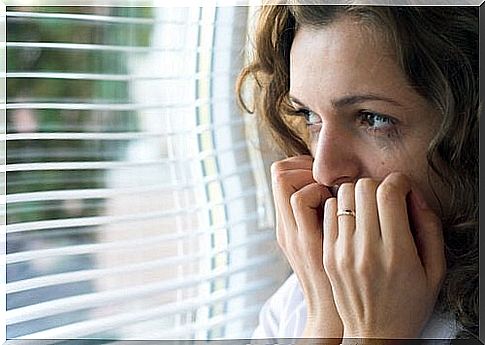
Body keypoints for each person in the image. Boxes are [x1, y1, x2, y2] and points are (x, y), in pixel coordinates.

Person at [236, 3, 479, 342]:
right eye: (309, 116)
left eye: (373, 118)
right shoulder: (300, 299)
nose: (323, 170)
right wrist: (323, 314)